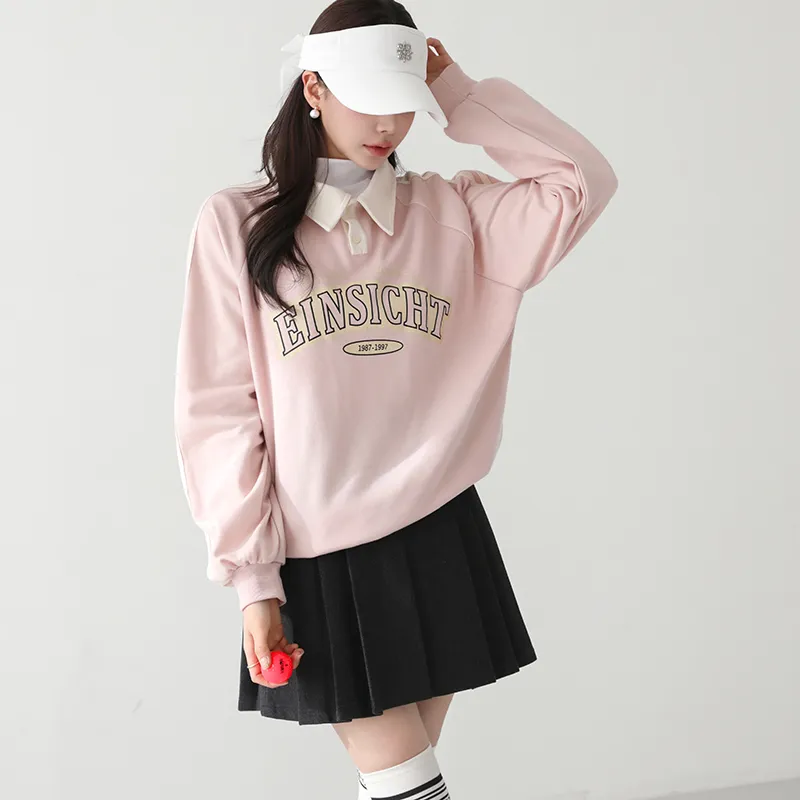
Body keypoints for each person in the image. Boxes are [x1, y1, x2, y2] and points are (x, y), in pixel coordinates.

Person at [173, 0, 618, 797]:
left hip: (438, 528)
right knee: (411, 786)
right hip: (318, 550)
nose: (388, 123)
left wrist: (457, 93)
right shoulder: (236, 224)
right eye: (369, 98)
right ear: (313, 87)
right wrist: (254, 582)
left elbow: (581, 182)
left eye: (404, 103)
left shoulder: (456, 213)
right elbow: (218, 413)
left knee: (402, 789)